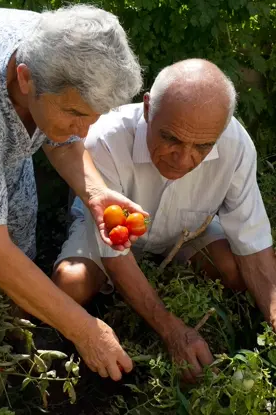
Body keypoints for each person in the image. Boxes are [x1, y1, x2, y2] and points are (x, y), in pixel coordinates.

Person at [0, 5, 147, 381]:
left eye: (93, 116)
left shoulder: (59, 45)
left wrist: (97, 193)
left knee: (18, 228)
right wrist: (84, 330)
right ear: (25, 80)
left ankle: (10, 333)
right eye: (74, 113)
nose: (84, 132)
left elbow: (67, 143)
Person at [53, 59, 276, 383]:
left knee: (232, 269)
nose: (184, 159)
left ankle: (164, 279)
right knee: (71, 284)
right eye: (171, 139)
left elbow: (252, 240)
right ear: (147, 108)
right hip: (105, 235)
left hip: (186, 232)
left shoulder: (236, 145)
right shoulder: (106, 140)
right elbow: (115, 253)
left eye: (202, 146)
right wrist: (172, 330)